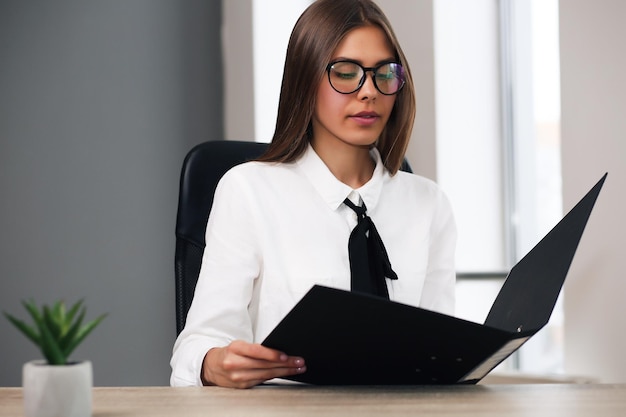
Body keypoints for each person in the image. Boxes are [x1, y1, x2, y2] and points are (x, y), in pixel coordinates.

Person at [170, 0, 456, 388]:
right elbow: (196, 345)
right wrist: (212, 362)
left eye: (384, 74)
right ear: (305, 79)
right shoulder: (249, 190)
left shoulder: (429, 204)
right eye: (345, 73)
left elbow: (439, 356)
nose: (369, 92)